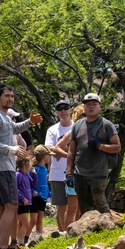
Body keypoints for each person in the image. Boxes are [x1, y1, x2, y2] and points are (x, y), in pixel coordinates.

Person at [0, 84, 42, 249]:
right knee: (12, 206)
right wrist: (10, 149)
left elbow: (14, 129)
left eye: (12, 96)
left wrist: (30, 122)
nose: (10, 99)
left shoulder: (5, 116)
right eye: (7, 95)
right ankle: (3, 247)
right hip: (2, 168)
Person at [66, 93, 120, 215]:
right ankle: (87, 232)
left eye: (94, 104)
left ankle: (108, 229)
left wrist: (99, 146)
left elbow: (117, 147)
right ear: (84, 107)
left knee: (100, 203)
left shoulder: (106, 125)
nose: (91, 107)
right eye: (88, 104)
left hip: (98, 173)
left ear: (100, 107)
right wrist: (69, 171)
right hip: (79, 172)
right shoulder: (77, 125)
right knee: (84, 207)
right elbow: (71, 150)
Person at [45, 99, 74, 231]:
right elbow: (50, 148)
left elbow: (57, 149)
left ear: (70, 110)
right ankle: (61, 232)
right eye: (60, 109)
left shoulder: (77, 127)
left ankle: (73, 230)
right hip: (57, 172)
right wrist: (69, 153)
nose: (63, 111)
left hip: (74, 172)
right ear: (56, 112)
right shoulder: (52, 130)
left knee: (74, 205)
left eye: (66, 108)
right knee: (61, 205)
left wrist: (61, 150)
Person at [31, 147, 51, 237]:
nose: (50, 157)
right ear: (44, 156)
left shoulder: (45, 169)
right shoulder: (34, 169)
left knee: (40, 219)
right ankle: (25, 237)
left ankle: (39, 237)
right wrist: (32, 191)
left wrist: (48, 192)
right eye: (48, 155)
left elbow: (44, 183)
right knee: (33, 220)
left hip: (42, 197)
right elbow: (28, 182)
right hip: (35, 197)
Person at [15, 154, 34, 246]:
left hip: (27, 202)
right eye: (30, 162)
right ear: (25, 164)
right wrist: (22, 198)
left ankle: (18, 242)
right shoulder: (18, 174)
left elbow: (33, 184)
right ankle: (21, 243)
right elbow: (16, 188)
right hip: (21, 203)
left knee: (22, 223)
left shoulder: (26, 174)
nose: (31, 165)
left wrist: (34, 175)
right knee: (26, 224)